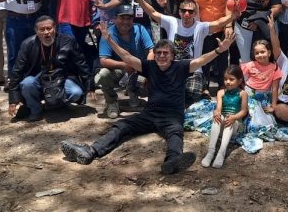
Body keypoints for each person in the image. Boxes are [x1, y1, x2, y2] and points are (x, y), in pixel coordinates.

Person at [60, 28, 236, 175]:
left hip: (172, 117)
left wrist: (219, 50)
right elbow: (127, 57)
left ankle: (173, 161)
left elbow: (201, 60)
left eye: (165, 53)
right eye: (158, 53)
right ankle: (90, 151)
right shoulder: (149, 66)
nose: (161, 56)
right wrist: (109, 40)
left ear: (172, 56)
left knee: (175, 135)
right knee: (121, 126)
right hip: (149, 115)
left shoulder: (181, 67)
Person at [133, 0, 235, 98]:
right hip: (171, 68)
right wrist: (140, 0)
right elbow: (153, 12)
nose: (187, 14)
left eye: (190, 11)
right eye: (183, 11)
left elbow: (219, 22)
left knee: (193, 91)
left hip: (193, 70)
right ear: (179, 12)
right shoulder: (172, 22)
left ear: (195, 13)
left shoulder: (201, 27)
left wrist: (234, 15)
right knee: (141, 82)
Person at [6, 16, 89, 122]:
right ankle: (35, 109)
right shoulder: (27, 44)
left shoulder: (68, 41)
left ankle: (59, 104)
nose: (46, 32)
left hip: (62, 77)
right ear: (36, 31)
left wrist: (89, 86)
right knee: (27, 83)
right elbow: (17, 71)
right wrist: (13, 100)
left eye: (49, 28)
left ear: (55, 28)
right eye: (42, 29)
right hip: (38, 79)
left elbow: (81, 64)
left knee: (76, 92)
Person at [174, 0, 233, 90]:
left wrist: (229, 25)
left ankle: (223, 89)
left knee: (223, 61)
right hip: (203, 29)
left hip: (222, 28)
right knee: (203, 61)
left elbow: (230, 3)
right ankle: (203, 89)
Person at [94, 5, 155, 118]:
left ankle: (134, 93)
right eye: (122, 18)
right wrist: (124, 65)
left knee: (155, 73)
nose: (126, 22)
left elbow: (151, 50)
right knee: (102, 75)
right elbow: (103, 60)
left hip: (138, 69)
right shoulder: (108, 33)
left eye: (129, 18)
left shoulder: (140, 29)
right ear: (115, 18)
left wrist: (148, 69)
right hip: (119, 70)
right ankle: (112, 102)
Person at [201, 66, 249, 168]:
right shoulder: (221, 92)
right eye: (225, 79)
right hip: (222, 127)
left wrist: (234, 117)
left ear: (240, 81)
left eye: (231, 79)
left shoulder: (242, 93)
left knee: (229, 120)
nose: (227, 82)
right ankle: (210, 152)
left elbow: (244, 111)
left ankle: (221, 153)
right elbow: (218, 108)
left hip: (235, 126)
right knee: (218, 117)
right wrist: (216, 112)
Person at [240, 38, 282, 140]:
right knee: (253, 122)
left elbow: (275, 89)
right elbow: (237, 76)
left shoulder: (275, 68)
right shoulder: (250, 65)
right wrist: (241, 89)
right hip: (249, 95)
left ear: (269, 53)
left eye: (262, 52)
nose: (260, 55)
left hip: (264, 98)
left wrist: (273, 106)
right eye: (257, 53)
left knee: (268, 123)